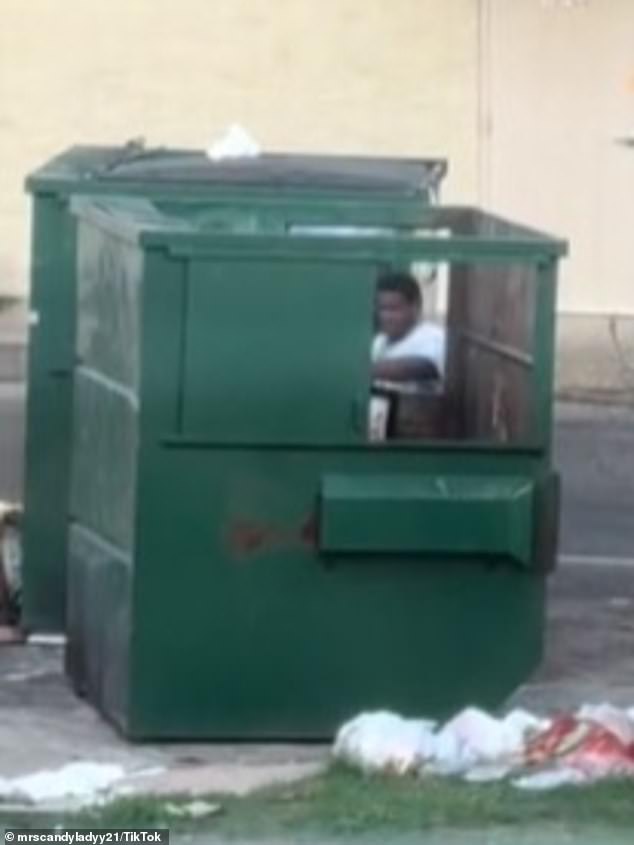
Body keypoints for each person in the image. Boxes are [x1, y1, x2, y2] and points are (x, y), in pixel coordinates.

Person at [371, 271, 446, 392]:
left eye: (393, 309)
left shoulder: (433, 338)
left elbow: (425, 367)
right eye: (382, 308)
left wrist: (361, 371)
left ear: (415, 307)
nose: (386, 316)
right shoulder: (380, 341)